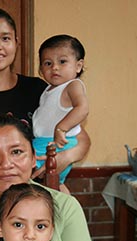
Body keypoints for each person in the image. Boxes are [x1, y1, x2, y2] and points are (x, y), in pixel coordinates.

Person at [0, 7, 91, 182]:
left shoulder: (39, 89)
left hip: (37, 189)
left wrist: (65, 158)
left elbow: (81, 138)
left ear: (16, 42)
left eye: (5, 38)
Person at [33, 34, 89, 187]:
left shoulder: (73, 85)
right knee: (50, 188)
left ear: (78, 66)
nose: (54, 67)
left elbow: (82, 108)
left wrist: (61, 128)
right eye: (48, 63)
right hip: (44, 143)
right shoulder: (47, 91)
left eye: (62, 61)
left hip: (59, 144)